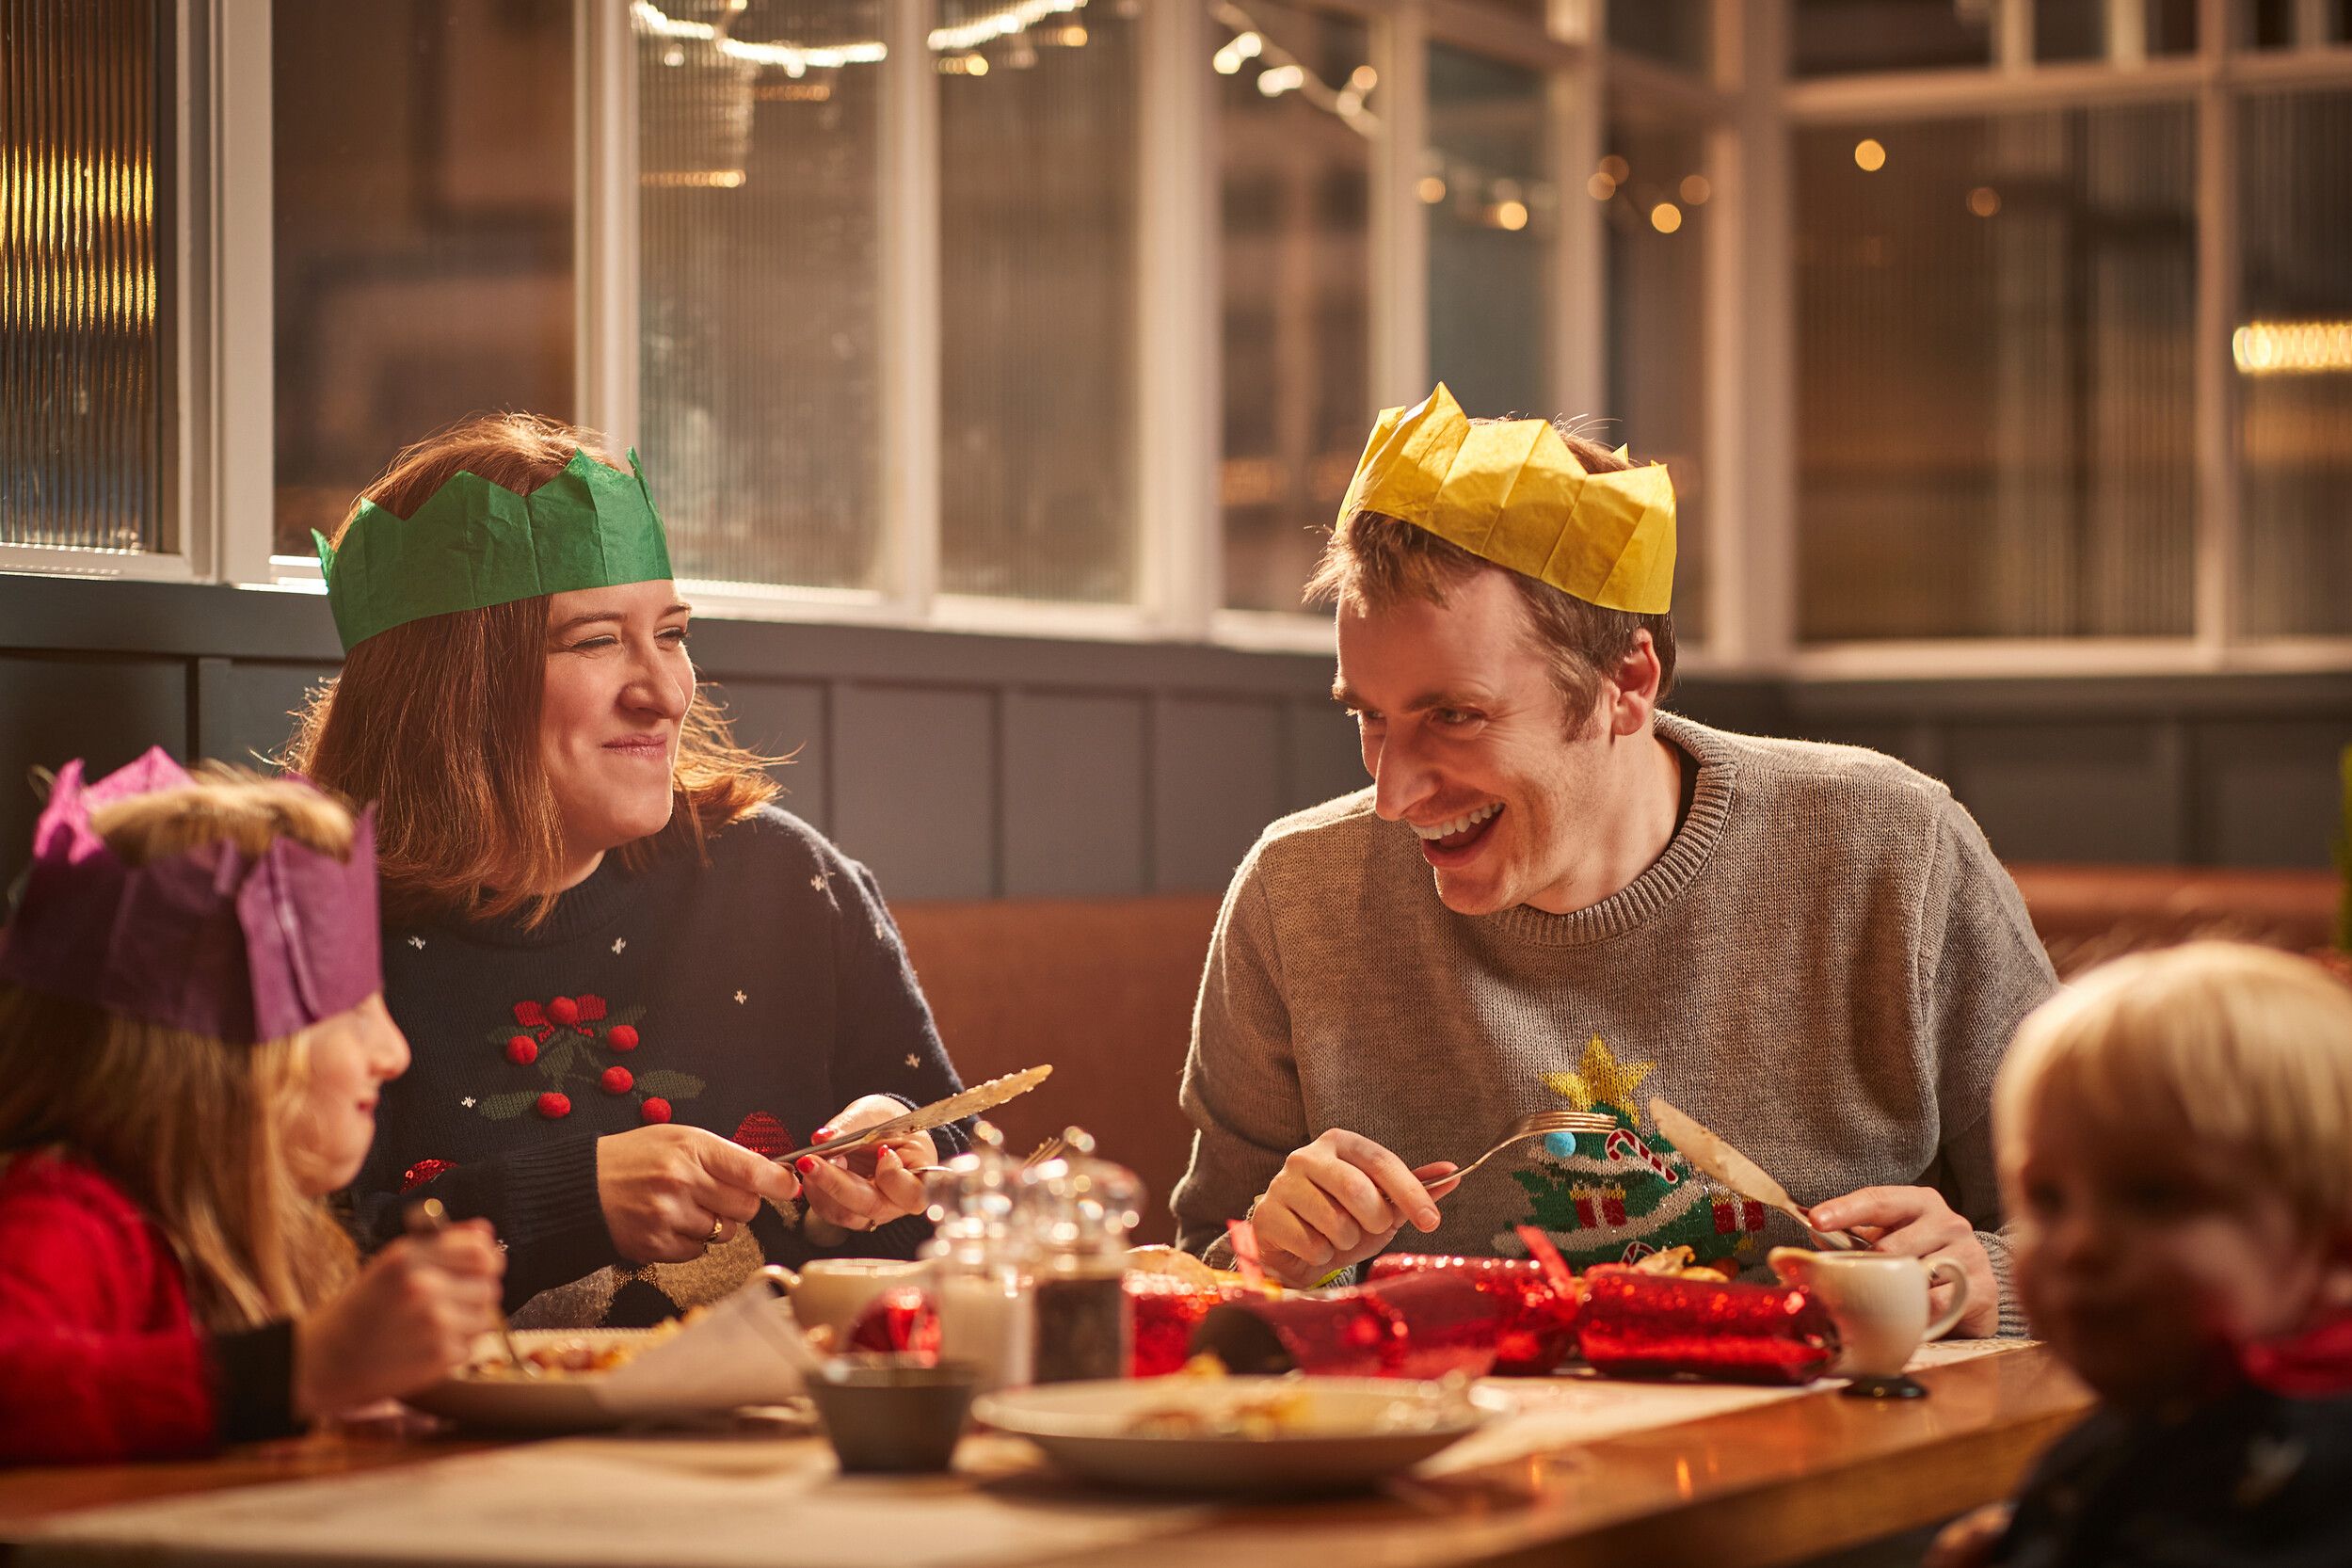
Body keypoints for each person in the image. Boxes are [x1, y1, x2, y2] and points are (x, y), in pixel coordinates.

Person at [1170, 384, 2056, 1336]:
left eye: (1455, 716)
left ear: (1626, 682)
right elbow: (1204, 1279)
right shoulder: (1296, 892)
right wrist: (1279, 1262)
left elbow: (2125, 1241)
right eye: (1368, 717)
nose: (1394, 796)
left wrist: (1984, 1275)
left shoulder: (1892, 851)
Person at [285, 413, 965, 1328]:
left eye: (673, 633)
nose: (667, 690)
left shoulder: (785, 880)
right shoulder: (301, 933)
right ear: (451, 688)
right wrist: (567, 1200)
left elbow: (961, 1144)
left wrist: (903, 1144)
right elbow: (280, 1283)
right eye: (597, 640)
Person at [0, 754, 504, 1464]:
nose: (393, 1051)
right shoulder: (67, 1218)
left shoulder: (275, 1231)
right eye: (352, 1008)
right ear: (223, 1054)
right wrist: (300, 1369)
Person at [1926, 942, 2352, 1568]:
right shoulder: (2170, 1412)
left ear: (2333, 1248)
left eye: (2155, 1197)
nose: (2078, 1244)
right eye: (2046, 1199)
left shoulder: (2300, 1476)